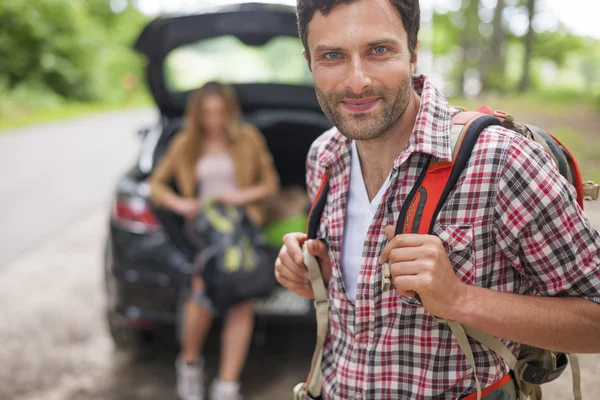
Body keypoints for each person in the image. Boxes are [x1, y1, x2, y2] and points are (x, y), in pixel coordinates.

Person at [274, 0, 600, 398]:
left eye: (378, 51)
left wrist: (460, 299)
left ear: (413, 52)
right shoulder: (323, 157)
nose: (356, 81)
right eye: (332, 56)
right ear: (309, 60)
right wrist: (320, 278)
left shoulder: (502, 161)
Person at [149, 81, 280, 400]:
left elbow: (270, 184)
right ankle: (190, 365)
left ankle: (227, 385)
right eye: (207, 113)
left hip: (241, 225)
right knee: (202, 290)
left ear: (230, 111)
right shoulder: (185, 142)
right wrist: (181, 204)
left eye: (220, 112)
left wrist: (239, 196)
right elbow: (156, 186)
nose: (214, 120)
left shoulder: (248, 138)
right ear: (197, 114)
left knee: (241, 297)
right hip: (205, 230)